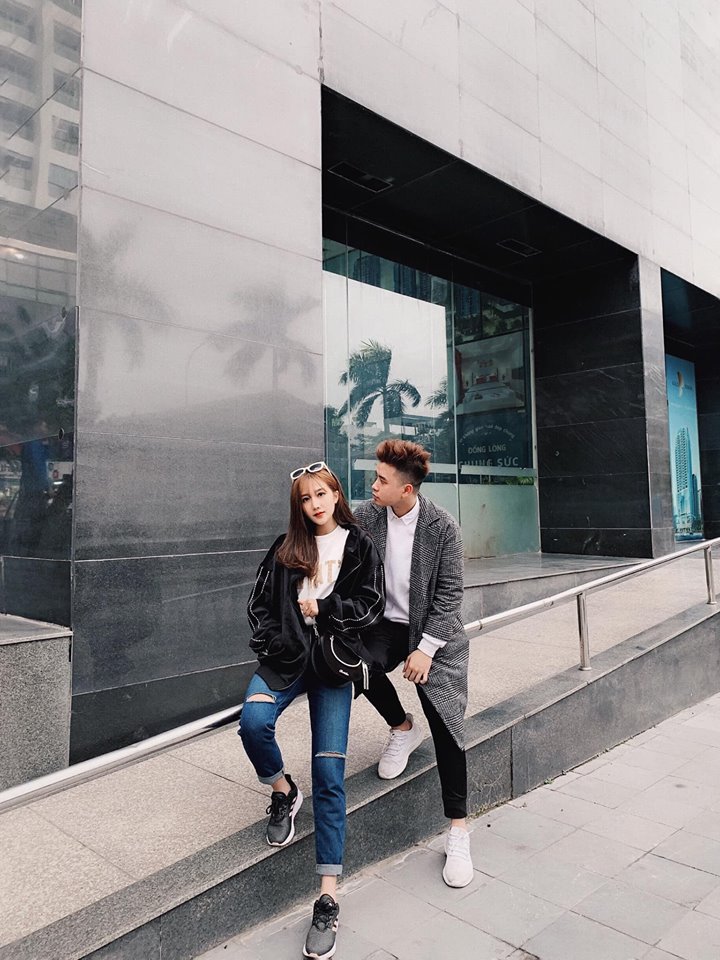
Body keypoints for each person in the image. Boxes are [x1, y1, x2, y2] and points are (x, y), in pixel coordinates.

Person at [240, 460, 384, 960]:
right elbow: (258, 605)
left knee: (329, 773)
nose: (315, 503)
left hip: (331, 665)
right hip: (286, 659)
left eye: (321, 493)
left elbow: (371, 605)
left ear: (336, 494)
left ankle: (327, 897)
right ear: (298, 506)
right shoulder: (285, 549)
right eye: (306, 498)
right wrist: (276, 641)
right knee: (253, 722)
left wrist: (327, 609)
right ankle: (283, 791)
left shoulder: (359, 544)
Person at [354, 439, 473, 888]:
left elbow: (450, 594)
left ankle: (458, 829)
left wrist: (425, 648)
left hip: (433, 632)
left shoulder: (443, 527)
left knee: (446, 723)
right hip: (385, 625)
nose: (373, 485)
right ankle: (402, 728)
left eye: (381, 480)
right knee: (356, 664)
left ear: (406, 490)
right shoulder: (368, 516)